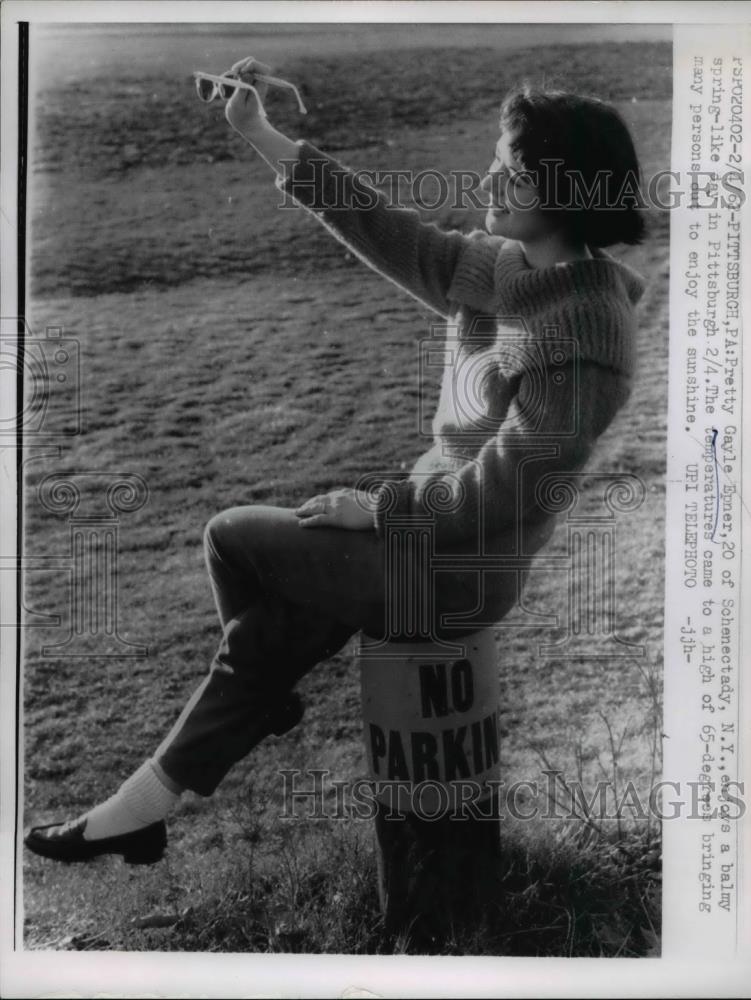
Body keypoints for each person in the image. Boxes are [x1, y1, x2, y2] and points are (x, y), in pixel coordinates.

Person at [25, 56, 646, 864]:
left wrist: (383, 509)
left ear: (559, 187)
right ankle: (153, 796)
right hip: (419, 544)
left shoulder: (587, 325)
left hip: (461, 569)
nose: (487, 178)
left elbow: (519, 478)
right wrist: (260, 134)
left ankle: (231, 722)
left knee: (235, 540)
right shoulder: (507, 270)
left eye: (508, 168)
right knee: (262, 614)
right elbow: (384, 227)